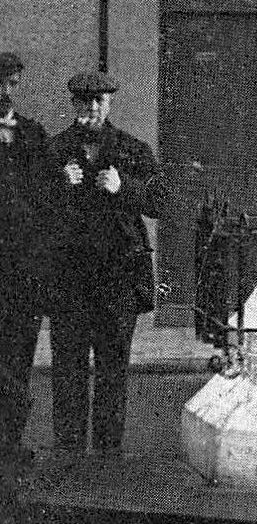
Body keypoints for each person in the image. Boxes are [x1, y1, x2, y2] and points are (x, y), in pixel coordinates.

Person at [48, 71, 165, 457]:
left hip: (118, 279)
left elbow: (160, 203)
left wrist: (124, 187)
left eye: (99, 101)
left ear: (109, 103)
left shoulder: (134, 150)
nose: (92, 108)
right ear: (74, 104)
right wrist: (57, 183)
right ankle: (67, 455)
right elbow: (31, 208)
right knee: (68, 368)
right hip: (71, 278)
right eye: (85, 101)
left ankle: (108, 457)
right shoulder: (54, 151)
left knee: (113, 368)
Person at [0, 51, 55, 458]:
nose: (4, 92)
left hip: (22, 275)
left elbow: (47, 201)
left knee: (18, 360)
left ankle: (10, 447)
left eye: (12, 84)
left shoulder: (34, 136)